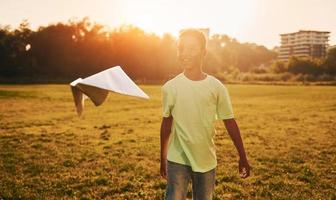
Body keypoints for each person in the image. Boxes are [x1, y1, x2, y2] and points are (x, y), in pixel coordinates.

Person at [160, 29, 250, 200]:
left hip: (206, 160)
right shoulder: (170, 88)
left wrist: (242, 156)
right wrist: (163, 158)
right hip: (177, 159)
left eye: (192, 48)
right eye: (181, 48)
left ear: (204, 52)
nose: (185, 53)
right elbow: (166, 124)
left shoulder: (216, 87)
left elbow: (230, 122)